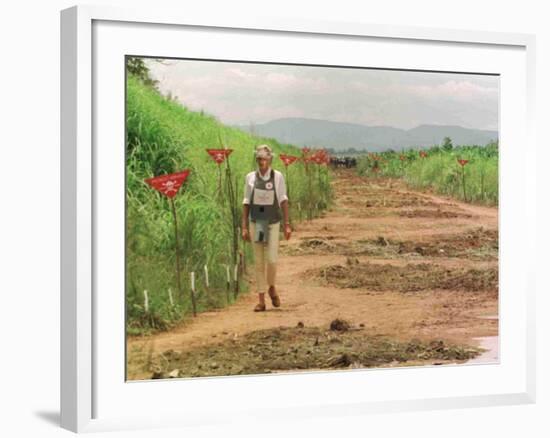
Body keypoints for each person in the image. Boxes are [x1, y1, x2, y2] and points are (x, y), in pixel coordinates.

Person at [241, 145, 292, 312]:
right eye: (259, 159)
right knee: (259, 261)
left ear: (270, 159)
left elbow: (283, 200)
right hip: (257, 222)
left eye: (264, 158)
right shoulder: (250, 178)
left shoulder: (277, 177)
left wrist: (287, 224)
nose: (261, 162)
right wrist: (244, 227)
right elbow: (246, 202)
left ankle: (271, 286)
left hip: (272, 222)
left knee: (272, 260)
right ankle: (261, 300)